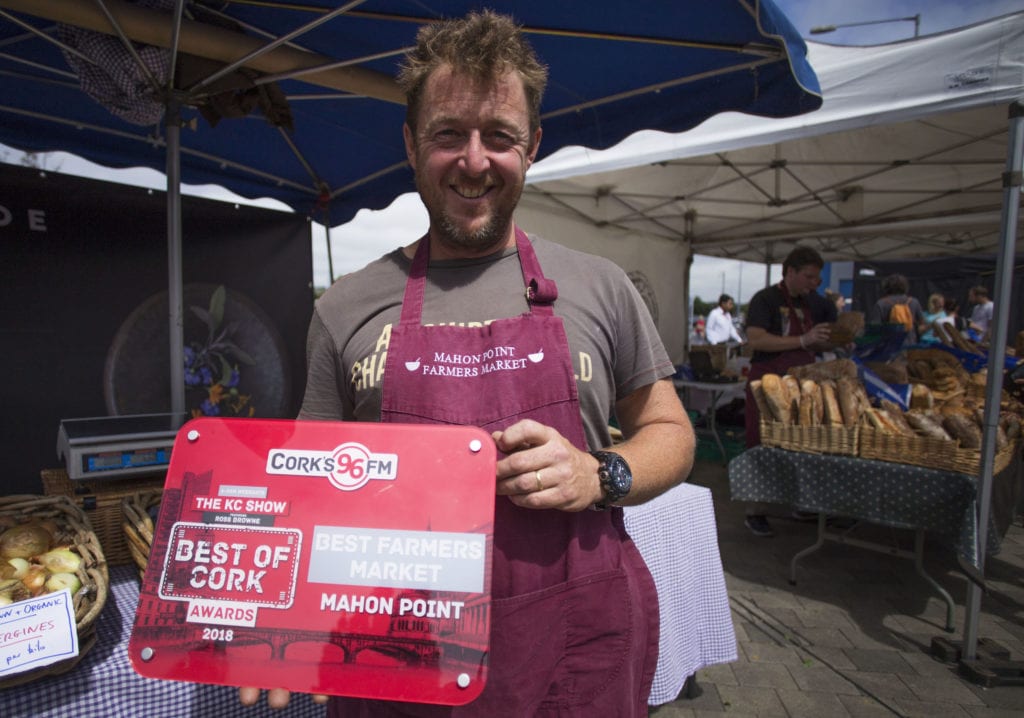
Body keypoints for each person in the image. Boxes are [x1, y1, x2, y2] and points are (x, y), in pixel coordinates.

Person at [240, 11, 695, 716]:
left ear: (533, 146)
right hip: (396, 656)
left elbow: (671, 430)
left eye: (500, 137)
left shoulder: (600, 285)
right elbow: (311, 480)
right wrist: (279, 611)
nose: (475, 161)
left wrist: (597, 472)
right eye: (449, 133)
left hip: (574, 654)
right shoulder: (345, 306)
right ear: (412, 143)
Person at [741, 247, 837, 537]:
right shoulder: (766, 299)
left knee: (802, 445)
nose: (813, 283)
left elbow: (817, 341)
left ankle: (800, 503)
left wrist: (823, 342)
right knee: (763, 445)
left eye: (816, 279)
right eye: (808, 276)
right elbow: (756, 339)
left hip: (802, 386)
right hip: (767, 384)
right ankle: (756, 510)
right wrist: (803, 339)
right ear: (790, 271)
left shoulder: (814, 304)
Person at [867, 274, 926, 345]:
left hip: (888, 346)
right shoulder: (914, 302)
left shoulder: (881, 303)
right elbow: (922, 325)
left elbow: (874, 328)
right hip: (910, 344)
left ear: (886, 287)